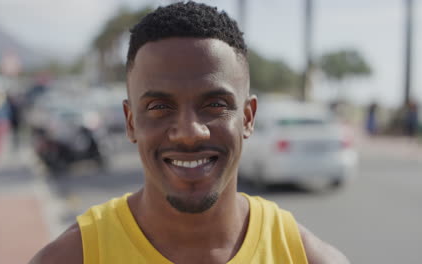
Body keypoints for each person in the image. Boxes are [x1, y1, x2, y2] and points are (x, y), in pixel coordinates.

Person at [30, 2, 349, 263]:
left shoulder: (305, 258)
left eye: (214, 104)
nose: (189, 133)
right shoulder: (75, 257)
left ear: (248, 117)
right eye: (159, 106)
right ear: (130, 122)